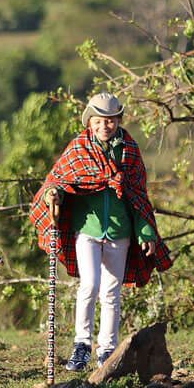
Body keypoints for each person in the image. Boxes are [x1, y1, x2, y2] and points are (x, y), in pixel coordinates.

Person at [29, 92, 172, 372]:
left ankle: (107, 349)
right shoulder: (79, 148)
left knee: (111, 292)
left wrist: (146, 233)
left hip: (120, 231)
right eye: (98, 121)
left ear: (118, 120)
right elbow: (60, 180)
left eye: (110, 120)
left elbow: (138, 197)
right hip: (87, 230)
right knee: (89, 286)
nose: (104, 126)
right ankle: (81, 345)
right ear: (89, 122)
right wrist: (53, 194)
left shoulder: (129, 151)